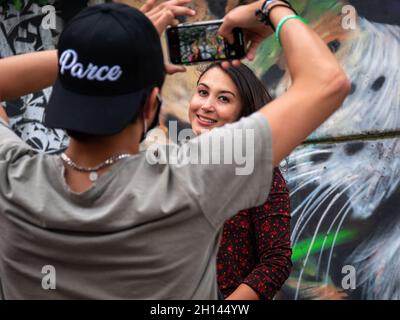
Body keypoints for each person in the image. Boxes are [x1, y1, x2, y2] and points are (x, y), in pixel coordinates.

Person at [0, 0, 350, 299]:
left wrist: (97, 58)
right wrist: (272, 7)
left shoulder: (11, 180)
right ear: (152, 105)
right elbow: (326, 81)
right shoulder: (190, 180)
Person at [188, 62, 292, 300]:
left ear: (243, 115)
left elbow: (276, 262)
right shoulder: (174, 166)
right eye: (203, 92)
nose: (206, 106)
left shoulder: (259, 175)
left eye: (223, 99)